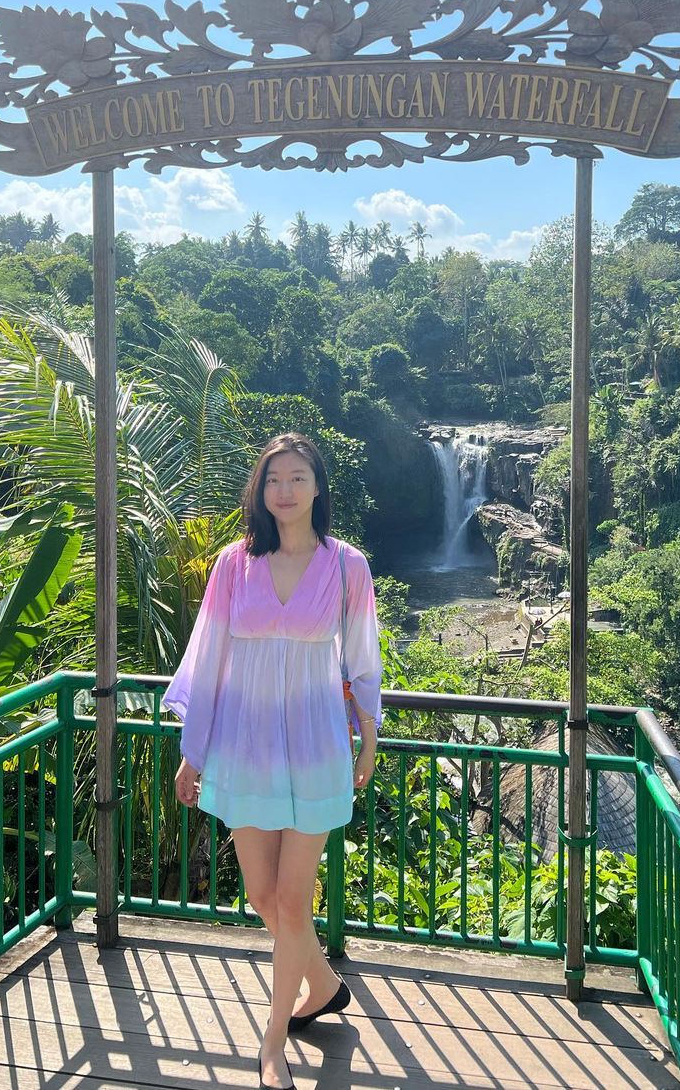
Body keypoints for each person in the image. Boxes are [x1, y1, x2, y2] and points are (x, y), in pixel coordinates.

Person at [163, 432, 383, 1090]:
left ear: (317, 488)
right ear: (259, 491)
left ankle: (273, 1043)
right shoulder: (234, 564)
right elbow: (209, 658)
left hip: (315, 745)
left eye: (297, 478)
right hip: (246, 744)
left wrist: (368, 737)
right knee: (263, 895)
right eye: (273, 479)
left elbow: (362, 659)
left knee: (291, 898)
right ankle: (322, 984)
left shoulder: (348, 566)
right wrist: (193, 752)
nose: (284, 490)